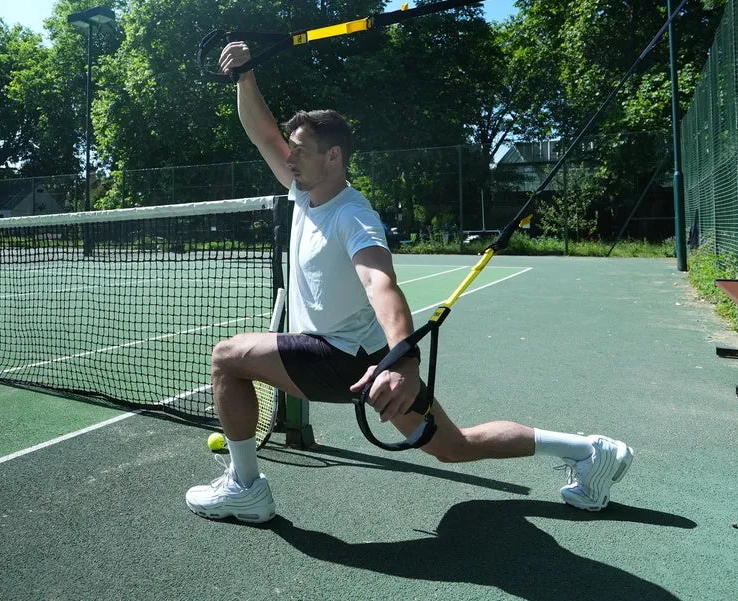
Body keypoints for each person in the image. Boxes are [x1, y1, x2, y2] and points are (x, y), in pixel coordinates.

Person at [185, 42, 634, 524]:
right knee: (454, 446)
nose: (288, 157)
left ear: (333, 156)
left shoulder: (353, 216)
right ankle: (591, 451)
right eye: (289, 150)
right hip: (366, 357)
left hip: (342, 356)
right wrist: (245, 76)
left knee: (227, 358)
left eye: (299, 151)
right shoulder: (303, 192)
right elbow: (262, 134)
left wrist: (404, 359)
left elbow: (381, 283)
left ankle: (245, 489)